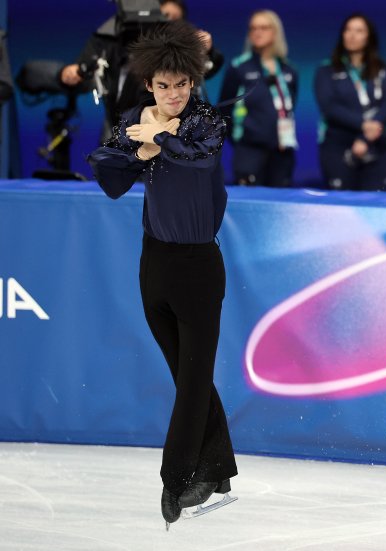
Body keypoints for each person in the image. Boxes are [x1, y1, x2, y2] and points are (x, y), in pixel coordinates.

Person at [87, 21, 237, 529]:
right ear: (150, 83)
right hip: (154, 264)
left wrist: (164, 137)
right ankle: (218, 468)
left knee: (194, 382)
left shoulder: (205, 121)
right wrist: (140, 150)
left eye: (182, 85)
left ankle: (177, 482)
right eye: (164, 85)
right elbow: (107, 176)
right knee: (185, 376)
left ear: (193, 82)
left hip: (199, 267)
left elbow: (200, 159)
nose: (173, 94)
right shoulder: (133, 118)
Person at [61, 1, 223, 134]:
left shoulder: (178, 44)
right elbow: (85, 64)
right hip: (117, 118)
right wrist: (76, 69)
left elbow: (209, 66)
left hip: (168, 123)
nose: (166, 23)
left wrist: (207, 50)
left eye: (174, 20)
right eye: (164, 16)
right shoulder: (111, 33)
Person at [314, 13, 386, 191]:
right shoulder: (327, 70)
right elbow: (329, 107)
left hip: (377, 146)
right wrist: (363, 125)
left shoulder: (382, 69)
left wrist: (365, 137)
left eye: (359, 30)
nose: (352, 35)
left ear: (369, 37)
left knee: (378, 207)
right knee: (341, 211)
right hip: (338, 147)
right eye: (348, 30)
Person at [218, 10, 298, 187]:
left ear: (275, 32)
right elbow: (224, 109)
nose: (257, 32)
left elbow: (289, 107)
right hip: (250, 153)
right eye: (253, 28)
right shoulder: (239, 67)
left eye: (263, 27)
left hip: (282, 153)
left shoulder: (288, 70)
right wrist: (241, 139)